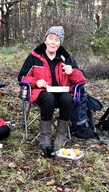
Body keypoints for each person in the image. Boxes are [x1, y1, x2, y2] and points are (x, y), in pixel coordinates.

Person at [18, 26, 86, 154]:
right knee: (48, 97)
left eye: (56, 40)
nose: (53, 42)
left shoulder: (66, 58)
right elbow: (21, 77)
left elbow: (82, 80)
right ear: (45, 40)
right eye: (50, 39)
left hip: (62, 94)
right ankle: (45, 138)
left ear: (60, 43)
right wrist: (35, 82)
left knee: (67, 98)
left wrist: (72, 72)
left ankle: (61, 137)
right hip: (42, 94)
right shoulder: (34, 57)